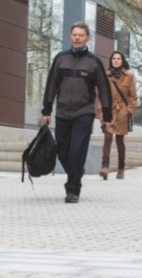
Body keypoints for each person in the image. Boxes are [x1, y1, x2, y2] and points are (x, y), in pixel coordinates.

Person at [42, 21, 112, 204]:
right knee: (63, 152)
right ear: (70, 37)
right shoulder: (60, 59)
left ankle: (73, 189)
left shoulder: (94, 62)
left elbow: (104, 90)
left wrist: (107, 116)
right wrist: (46, 110)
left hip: (84, 112)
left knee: (77, 151)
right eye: (74, 35)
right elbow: (51, 85)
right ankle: (76, 171)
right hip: (62, 112)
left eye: (81, 35)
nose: (77, 38)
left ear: (88, 38)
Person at [97, 51, 137, 180]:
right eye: (114, 58)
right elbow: (101, 95)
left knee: (120, 140)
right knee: (107, 138)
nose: (116, 60)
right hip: (108, 111)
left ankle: (121, 168)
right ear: (111, 61)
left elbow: (133, 97)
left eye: (118, 58)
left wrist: (128, 111)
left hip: (122, 113)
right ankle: (105, 167)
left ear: (122, 61)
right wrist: (101, 112)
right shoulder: (105, 75)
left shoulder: (129, 76)